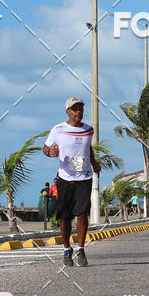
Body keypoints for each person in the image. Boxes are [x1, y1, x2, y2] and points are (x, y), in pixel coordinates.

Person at [43, 96, 101, 267]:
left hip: (84, 177)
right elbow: (46, 147)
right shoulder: (58, 129)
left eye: (80, 108)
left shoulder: (88, 130)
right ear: (67, 111)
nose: (78, 112)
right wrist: (49, 152)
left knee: (82, 214)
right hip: (65, 178)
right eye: (75, 109)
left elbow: (87, 148)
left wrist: (94, 163)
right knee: (65, 217)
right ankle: (67, 249)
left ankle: (81, 249)